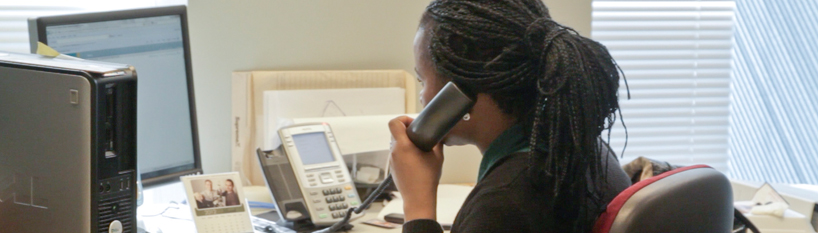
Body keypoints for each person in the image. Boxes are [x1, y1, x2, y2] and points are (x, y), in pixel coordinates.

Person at [387, 0, 633, 232]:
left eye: (422, 80)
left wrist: (417, 207)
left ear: (460, 91)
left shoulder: (502, 204)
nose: (421, 97)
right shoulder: (579, 147)